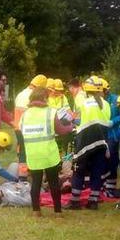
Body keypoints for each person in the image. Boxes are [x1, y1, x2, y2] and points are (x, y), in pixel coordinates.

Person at [20, 88, 73, 217]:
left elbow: (22, 131)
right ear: (44, 98)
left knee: (36, 183)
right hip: (49, 154)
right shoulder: (50, 112)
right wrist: (70, 127)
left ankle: (36, 211)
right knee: (53, 182)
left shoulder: (25, 114)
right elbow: (61, 130)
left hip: (33, 154)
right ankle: (58, 212)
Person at [65, 76, 111, 210]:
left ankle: (74, 201)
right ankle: (93, 201)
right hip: (102, 141)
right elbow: (106, 122)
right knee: (97, 171)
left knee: (79, 170)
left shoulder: (84, 104)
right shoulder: (106, 104)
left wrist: (70, 119)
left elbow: (78, 121)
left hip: (85, 141)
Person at [101, 78, 120, 198]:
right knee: (101, 161)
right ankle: (102, 186)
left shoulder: (115, 100)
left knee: (112, 161)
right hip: (100, 134)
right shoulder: (96, 102)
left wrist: (112, 122)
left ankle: (111, 187)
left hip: (112, 134)